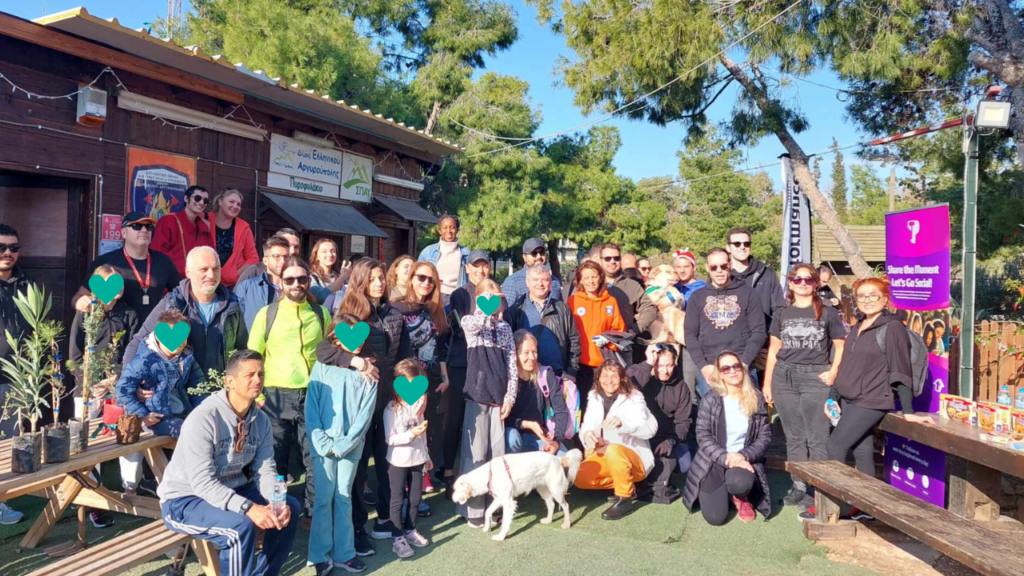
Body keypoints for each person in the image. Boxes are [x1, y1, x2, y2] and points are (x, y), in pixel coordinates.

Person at [158, 350, 300, 576]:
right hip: (185, 500)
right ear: (229, 381)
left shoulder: (260, 420)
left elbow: (265, 468)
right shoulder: (203, 418)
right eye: (250, 375)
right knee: (238, 527)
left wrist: (275, 502)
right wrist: (248, 508)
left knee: (288, 508)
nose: (257, 380)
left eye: (261, 374)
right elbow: (203, 483)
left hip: (232, 488)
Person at [803, 277, 934, 521]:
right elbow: (847, 366)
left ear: (885, 299)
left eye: (873, 295)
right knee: (862, 452)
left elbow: (900, 369)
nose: (867, 300)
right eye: (861, 296)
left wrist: (908, 411)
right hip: (850, 398)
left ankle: (833, 505)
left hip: (872, 400)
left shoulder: (892, 328)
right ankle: (865, 508)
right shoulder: (859, 326)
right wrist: (833, 397)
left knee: (835, 445)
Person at [332, 259, 412, 550]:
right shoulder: (349, 315)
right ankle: (356, 529)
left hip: (387, 403)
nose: (379, 283)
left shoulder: (394, 314)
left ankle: (385, 520)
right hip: (358, 405)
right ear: (360, 282)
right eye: (373, 278)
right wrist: (357, 360)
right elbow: (326, 351)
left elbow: (405, 356)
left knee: (387, 464)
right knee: (357, 470)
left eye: (382, 278)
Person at [247, 257, 331, 521]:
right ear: (280, 283)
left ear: (309, 281)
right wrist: (258, 397)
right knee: (274, 462)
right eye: (290, 279)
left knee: (314, 458)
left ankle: (311, 514)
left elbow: (328, 355)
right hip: (275, 397)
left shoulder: (320, 313)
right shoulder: (267, 314)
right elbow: (252, 356)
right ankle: (275, 511)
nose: (296, 284)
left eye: (302, 279)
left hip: (313, 394)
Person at [762, 264, 846, 510]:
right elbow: (774, 350)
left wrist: (833, 371)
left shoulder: (828, 313)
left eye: (808, 280)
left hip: (814, 377)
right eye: (797, 280)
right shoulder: (781, 313)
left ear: (815, 283)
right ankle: (799, 486)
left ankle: (819, 489)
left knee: (817, 437)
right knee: (795, 436)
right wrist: (767, 383)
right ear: (790, 284)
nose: (802, 284)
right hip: (784, 377)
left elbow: (840, 345)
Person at [306, 313, 379, 574]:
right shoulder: (322, 366)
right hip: (322, 446)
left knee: (344, 495)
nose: (357, 343)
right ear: (335, 338)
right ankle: (319, 554)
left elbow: (365, 415)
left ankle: (344, 553)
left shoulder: (369, 372)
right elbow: (311, 409)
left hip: (351, 448)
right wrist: (322, 441)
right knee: (323, 499)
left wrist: (347, 443)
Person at [123, 246, 247, 380]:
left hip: (219, 392)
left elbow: (242, 350)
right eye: (203, 269)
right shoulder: (172, 304)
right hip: (179, 394)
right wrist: (131, 383)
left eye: (216, 268)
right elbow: (137, 343)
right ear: (188, 272)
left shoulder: (232, 306)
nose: (211, 275)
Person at [116, 308, 203, 491]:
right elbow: (123, 389)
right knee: (191, 434)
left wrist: (202, 411)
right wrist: (143, 415)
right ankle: (181, 487)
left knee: (202, 431)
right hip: (155, 418)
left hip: (178, 412)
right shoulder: (145, 360)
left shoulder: (186, 358)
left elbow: (198, 386)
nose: (179, 343)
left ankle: (190, 485)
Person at [683, 351, 772, 525]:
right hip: (714, 459)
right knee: (715, 518)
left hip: (742, 459)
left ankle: (740, 496)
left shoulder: (756, 398)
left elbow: (764, 436)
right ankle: (723, 492)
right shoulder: (710, 400)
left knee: (739, 483)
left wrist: (743, 456)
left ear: (743, 369)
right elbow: (703, 436)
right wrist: (726, 458)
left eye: (736, 366)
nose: (732, 371)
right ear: (720, 374)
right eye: (726, 368)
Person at [457, 279, 517, 527]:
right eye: (490, 298)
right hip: (477, 395)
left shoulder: (505, 328)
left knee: (498, 456)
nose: (496, 303)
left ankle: (497, 506)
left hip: (499, 399)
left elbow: (512, 365)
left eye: (498, 298)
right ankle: (473, 510)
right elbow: (475, 323)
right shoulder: (470, 322)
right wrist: (485, 305)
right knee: (476, 454)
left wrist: (510, 396)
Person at [390, 261, 449, 500]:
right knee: (407, 428)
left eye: (430, 279)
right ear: (411, 278)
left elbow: (441, 347)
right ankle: (405, 481)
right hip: (406, 381)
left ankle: (422, 474)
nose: (425, 283)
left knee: (427, 430)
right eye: (421, 277)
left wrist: (445, 377)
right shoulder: (398, 308)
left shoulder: (435, 310)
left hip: (433, 378)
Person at [574, 360, 658, 520]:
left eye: (614, 376)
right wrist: (586, 435)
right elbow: (587, 425)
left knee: (614, 449)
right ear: (598, 379)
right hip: (605, 454)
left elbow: (649, 429)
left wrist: (623, 424)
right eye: (605, 375)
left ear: (622, 379)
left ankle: (624, 498)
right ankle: (626, 483)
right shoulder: (594, 397)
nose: (609, 380)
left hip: (634, 458)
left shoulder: (634, 397)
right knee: (579, 477)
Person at [439, 249, 491, 492]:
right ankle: (448, 470)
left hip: (487, 363)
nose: (481, 270)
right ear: (467, 268)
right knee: (455, 419)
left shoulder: (493, 290)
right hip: (462, 362)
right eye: (476, 266)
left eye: (485, 266)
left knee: (481, 420)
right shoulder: (460, 294)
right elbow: (462, 327)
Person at [684, 248, 766, 397]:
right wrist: (703, 366)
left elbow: (759, 331)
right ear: (707, 268)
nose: (719, 271)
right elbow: (690, 334)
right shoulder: (697, 297)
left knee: (749, 416)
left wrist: (745, 363)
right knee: (714, 418)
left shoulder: (748, 293)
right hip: (711, 368)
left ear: (729, 265)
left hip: (741, 365)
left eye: (723, 266)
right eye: (714, 267)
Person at [73, 212, 182, 320]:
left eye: (148, 227)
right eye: (137, 226)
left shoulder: (163, 261)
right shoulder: (106, 262)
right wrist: (81, 302)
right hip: (118, 333)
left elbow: (181, 294)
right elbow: (78, 297)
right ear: (124, 233)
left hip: (153, 333)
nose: (144, 230)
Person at [627, 345, 692, 503]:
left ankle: (661, 478)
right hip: (640, 436)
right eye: (659, 365)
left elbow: (683, 421)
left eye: (669, 365)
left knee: (685, 463)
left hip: (666, 436)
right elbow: (628, 388)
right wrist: (649, 363)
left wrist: (671, 441)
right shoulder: (641, 376)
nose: (665, 371)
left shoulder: (681, 387)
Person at [383, 359, 433, 559]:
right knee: (397, 499)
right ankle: (398, 537)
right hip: (397, 461)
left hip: (418, 459)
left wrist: (427, 457)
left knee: (415, 498)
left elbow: (423, 436)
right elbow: (390, 438)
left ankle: (410, 530)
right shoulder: (391, 409)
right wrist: (412, 433)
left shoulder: (419, 406)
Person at [0, 223, 31, 524]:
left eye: (13, 248)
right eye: (2, 247)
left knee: (8, 440)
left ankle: (3, 500)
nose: (8, 253)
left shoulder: (26, 282)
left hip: (16, 377)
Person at [568, 260, 626, 415]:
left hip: (602, 364)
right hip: (579, 363)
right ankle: (579, 438)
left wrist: (609, 341)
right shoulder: (573, 301)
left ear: (600, 277)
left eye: (594, 276)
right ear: (579, 280)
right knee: (581, 405)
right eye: (586, 278)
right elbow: (566, 330)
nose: (590, 281)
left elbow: (619, 330)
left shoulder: (610, 301)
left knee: (601, 406)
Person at [507, 264, 581, 383]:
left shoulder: (563, 309)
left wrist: (571, 372)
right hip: (526, 378)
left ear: (550, 282)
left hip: (558, 377)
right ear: (527, 282)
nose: (540, 284)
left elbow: (574, 342)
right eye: (535, 280)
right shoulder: (516, 310)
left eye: (545, 280)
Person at [506, 330, 571, 455]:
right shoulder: (506, 378)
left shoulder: (546, 375)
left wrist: (556, 441)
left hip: (539, 436)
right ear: (514, 353)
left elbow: (561, 411)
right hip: (513, 434)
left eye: (534, 352)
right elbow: (500, 418)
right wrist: (526, 424)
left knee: (565, 458)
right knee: (512, 437)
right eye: (526, 353)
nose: (532, 357)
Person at [726, 227, 786, 333]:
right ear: (728, 247)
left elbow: (779, 309)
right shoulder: (722, 276)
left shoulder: (767, 274)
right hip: (730, 342)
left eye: (746, 244)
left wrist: (770, 337)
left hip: (762, 340)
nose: (742, 247)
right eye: (737, 244)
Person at [152, 185, 215, 278]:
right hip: (171, 283)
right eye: (197, 198)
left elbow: (211, 256)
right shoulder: (169, 221)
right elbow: (157, 254)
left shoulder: (204, 228)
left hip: (197, 284)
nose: (201, 202)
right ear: (186, 198)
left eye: (205, 201)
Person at [234, 236, 290, 331]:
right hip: (251, 345)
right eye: (277, 257)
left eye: (286, 257)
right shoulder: (247, 287)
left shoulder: (295, 287)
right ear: (265, 261)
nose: (283, 261)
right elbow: (235, 322)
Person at [207, 189, 259, 288]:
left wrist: (236, 274)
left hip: (232, 285)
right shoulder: (205, 220)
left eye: (238, 204)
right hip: (206, 280)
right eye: (231, 202)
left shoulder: (244, 227)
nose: (235, 206)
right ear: (220, 201)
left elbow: (253, 258)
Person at [598, 243, 650, 333]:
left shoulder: (632, 285)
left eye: (616, 258)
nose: (612, 261)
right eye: (607, 258)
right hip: (595, 341)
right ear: (600, 260)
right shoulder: (591, 284)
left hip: (623, 342)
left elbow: (649, 309)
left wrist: (635, 329)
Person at [417, 215, 471, 303]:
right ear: (440, 231)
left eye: (452, 227)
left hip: (458, 296)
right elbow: (418, 275)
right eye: (445, 228)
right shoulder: (428, 252)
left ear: (457, 230)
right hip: (434, 295)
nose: (448, 231)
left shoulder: (466, 253)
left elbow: (471, 279)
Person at [502, 238, 563, 306]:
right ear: (524, 257)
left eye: (542, 252)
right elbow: (506, 312)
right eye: (534, 253)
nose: (539, 256)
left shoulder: (554, 281)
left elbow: (561, 311)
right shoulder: (513, 282)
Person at [236, 228, 303, 283]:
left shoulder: (301, 273)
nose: (293, 251)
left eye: (296, 247)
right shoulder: (255, 271)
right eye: (288, 245)